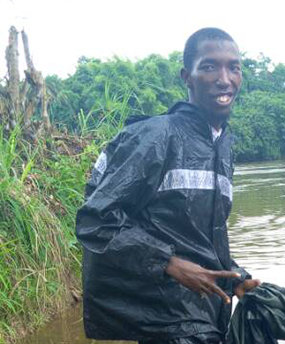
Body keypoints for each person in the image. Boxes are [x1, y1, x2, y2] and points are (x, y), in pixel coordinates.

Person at [76, 28, 260, 344]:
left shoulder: (223, 146)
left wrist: (234, 276)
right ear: (187, 76)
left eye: (234, 67)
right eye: (209, 66)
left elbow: (195, 235)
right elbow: (95, 221)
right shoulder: (154, 137)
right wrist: (169, 263)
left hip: (206, 312)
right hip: (165, 319)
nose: (224, 78)